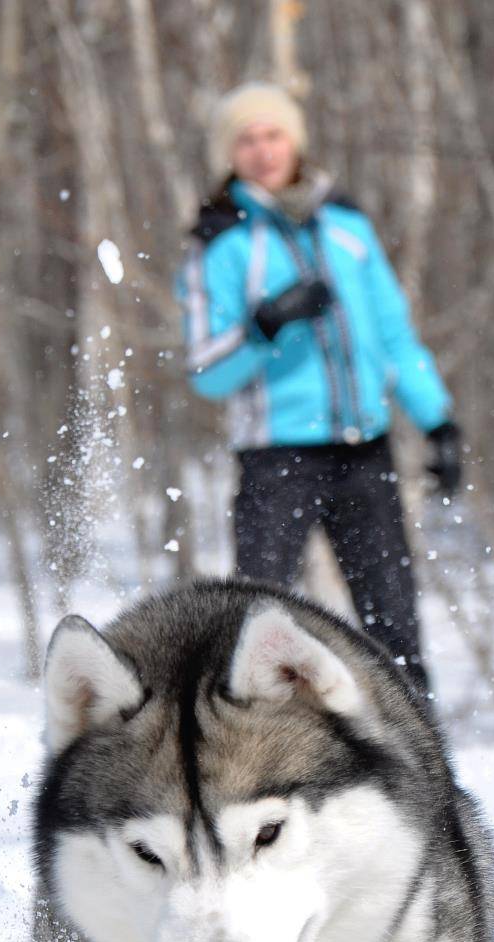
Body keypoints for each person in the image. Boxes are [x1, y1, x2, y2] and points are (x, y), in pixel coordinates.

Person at [177, 81, 466, 701]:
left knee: (394, 625)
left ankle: (422, 772)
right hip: (277, 456)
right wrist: (264, 325)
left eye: (273, 134)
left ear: (295, 139)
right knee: (255, 621)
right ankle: (244, 760)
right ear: (230, 153)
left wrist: (438, 421)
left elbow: (393, 335)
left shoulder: (347, 226)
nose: (263, 150)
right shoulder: (220, 244)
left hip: (365, 448)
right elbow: (206, 371)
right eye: (246, 140)